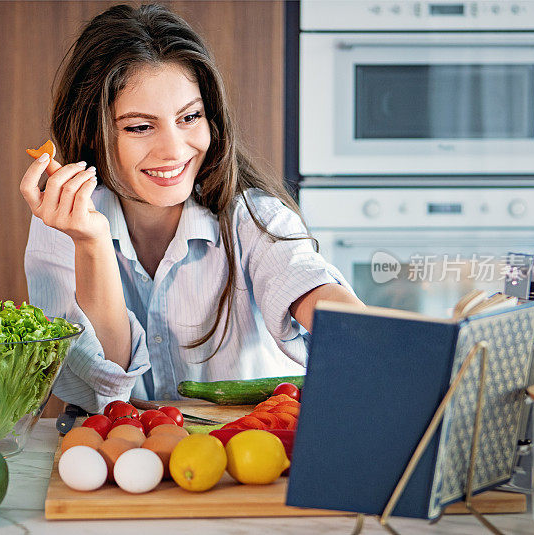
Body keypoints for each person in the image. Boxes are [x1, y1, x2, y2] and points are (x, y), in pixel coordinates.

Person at [20, 4, 363, 413]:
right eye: (140, 127)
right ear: (92, 132)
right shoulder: (61, 226)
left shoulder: (253, 219)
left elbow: (307, 283)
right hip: (128, 451)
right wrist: (91, 243)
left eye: (189, 117)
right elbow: (105, 388)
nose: (174, 150)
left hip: (251, 453)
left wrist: (373, 338)